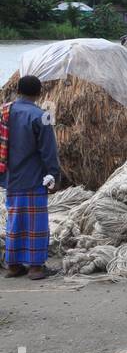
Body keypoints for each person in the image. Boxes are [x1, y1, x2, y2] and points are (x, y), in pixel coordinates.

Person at [2, 75, 61, 280]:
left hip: (10, 179)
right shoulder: (41, 115)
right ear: (38, 93)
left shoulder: (4, 112)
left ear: (18, 90)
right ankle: (36, 267)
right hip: (35, 178)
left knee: (15, 220)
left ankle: (13, 265)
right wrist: (53, 174)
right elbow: (48, 150)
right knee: (36, 222)